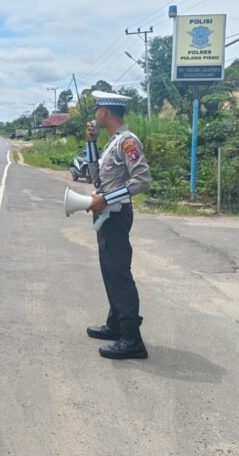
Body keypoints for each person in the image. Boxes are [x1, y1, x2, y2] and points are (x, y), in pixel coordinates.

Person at [84, 91, 151, 359]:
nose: (94, 114)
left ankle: (132, 339)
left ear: (105, 112)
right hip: (106, 215)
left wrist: (105, 198)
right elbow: (95, 176)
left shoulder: (128, 142)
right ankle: (115, 325)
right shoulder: (112, 142)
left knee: (119, 274)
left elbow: (142, 180)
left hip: (116, 213)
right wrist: (91, 142)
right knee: (110, 271)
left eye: (96, 109)